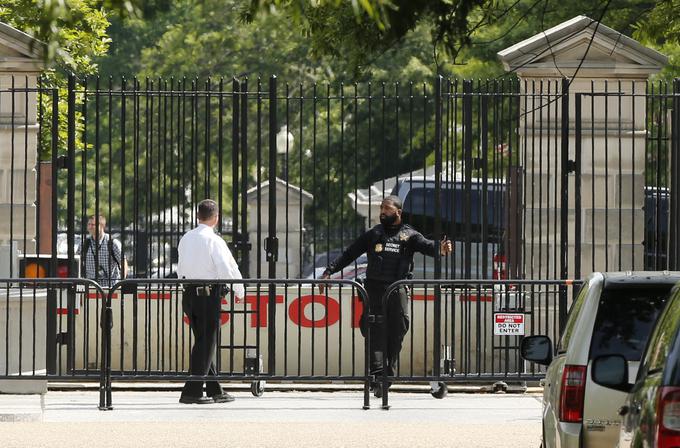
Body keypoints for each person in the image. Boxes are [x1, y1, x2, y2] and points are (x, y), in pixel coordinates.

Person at [319, 195, 452, 396]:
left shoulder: (409, 235)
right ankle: (377, 378)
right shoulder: (374, 234)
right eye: (381, 208)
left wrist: (440, 250)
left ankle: (387, 374)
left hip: (397, 290)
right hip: (374, 289)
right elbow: (350, 253)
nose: (382, 212)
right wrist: (329, 271)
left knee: (398, 330)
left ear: (398, 212)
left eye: (387, 208)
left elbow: (427, 246)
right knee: (374, 331)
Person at [177, 199, 245, 404]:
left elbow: (181, 267)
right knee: (206, 343)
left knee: (203, 342)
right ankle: (192, 391)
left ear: (198, 216)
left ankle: (215, 389)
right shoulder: (215, 241)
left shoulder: (186, 238)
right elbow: (227, 268)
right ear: (216, 218)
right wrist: (238, 289)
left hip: (188, 295)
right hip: (207, 296)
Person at [79, 214, 128, 287]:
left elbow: (123, 262)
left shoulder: (112, 243)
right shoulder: (84, 243)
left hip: (110, 288)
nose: (90, 227)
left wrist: (121, 283)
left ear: (102, 226)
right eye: (88, 224)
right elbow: (77, 262)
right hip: (90, 288)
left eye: (93, 225)